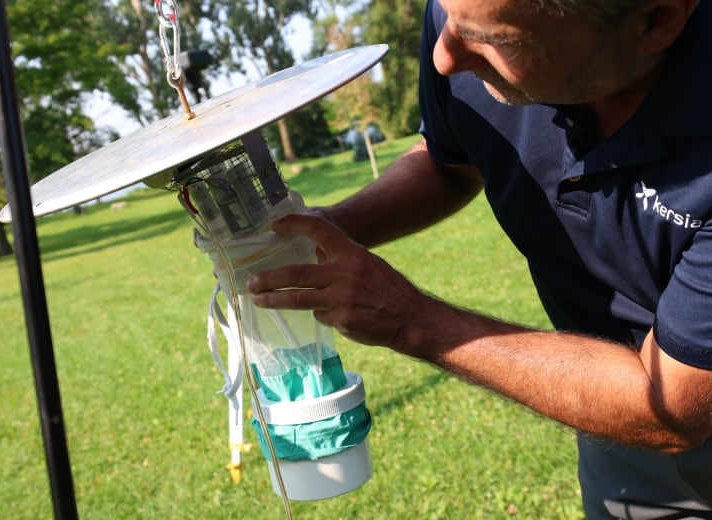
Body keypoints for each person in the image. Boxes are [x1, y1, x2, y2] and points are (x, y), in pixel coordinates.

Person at [246, 0, 712, 517]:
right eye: (448, 17)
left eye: (502, 41)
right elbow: (452, 164)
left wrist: (409, 320)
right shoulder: (468, 19)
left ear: (656, 20)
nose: (445, 58)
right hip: (622, 433)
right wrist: (324, 230)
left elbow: (668, 408)